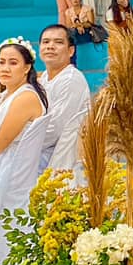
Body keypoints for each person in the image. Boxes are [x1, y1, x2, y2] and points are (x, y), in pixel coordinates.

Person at [0, 38, 49, 265]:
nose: (5, 68)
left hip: (7, 165)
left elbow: (0, 143)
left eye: (13, 63)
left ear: (27, 67)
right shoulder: (8, 94)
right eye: (1, 62)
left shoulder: (26, 97)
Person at [36, 25, 90, 173]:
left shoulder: (71, 79)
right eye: (46, 42)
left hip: (62, 158)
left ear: (71, 51)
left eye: (58, 42)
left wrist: (20, 141)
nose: (50, 46)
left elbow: (54, 130)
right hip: (44, 151)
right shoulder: (44, 78)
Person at [63, 0, 96, 64]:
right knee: (71, 32)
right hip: (75, 34)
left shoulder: (87, 9)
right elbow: (68, 26)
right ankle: (72, 60)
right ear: (70, 0)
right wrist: (77, 27)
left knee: (71, 35)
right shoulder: (68, 12)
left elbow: (91, 24)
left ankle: (72, 62)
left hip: (86, 33)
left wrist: (80, 25)